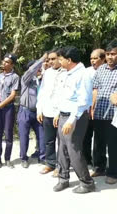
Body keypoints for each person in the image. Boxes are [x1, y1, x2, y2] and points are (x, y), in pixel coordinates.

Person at [52, 46, 95, 193]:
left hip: (76, 117)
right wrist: (58, 112)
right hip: (64, 115)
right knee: (62, 148)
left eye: (61, 58)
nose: (59, 61)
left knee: (73, 150)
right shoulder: (66, 73)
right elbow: (63, 96)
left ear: (69, 60)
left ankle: (87, 182)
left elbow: (82, 102)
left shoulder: (82, 75)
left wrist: (71, 120)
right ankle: (63, 179)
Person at [92, 40, 117, 184]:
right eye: (107, 54)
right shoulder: (100, 69)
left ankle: (113, 172)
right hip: (99, 112)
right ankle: (99, 167)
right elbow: (95, 88)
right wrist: (92, 108)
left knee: (113, 144)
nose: (109, 57)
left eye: (113, 54)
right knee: (98, 142)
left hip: (114, 115)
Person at [37, 49, 65, 176]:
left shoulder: (66, 73)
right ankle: (50, 163)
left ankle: (61, 166)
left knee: (62, 142)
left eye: (54, 59)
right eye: (49, 59)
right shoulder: (47, 73)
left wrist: (59, 112)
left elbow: (65, 96)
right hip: (47, 112)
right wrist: (39, 110)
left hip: (60, 113)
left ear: (60, 58)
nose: (51, 61)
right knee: (49, 140)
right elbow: (42, 93)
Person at [0, 53, 20, 168]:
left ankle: (7, 159)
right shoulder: (0, 75)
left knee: (8, 134)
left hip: (8, 109)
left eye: (7, 62)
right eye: (4, 61)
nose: (4, 63)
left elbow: (12, 95)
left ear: (12, 65)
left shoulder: (15, 77)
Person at [18, 55, 46, 169]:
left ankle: (42, 157)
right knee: (24, 136)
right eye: (37, 68)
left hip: (38, 112)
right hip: (25, 111)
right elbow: (31, 71)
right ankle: (24, 158)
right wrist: (41, 60)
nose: (39, 69)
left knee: (42, 135)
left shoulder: (40, 81)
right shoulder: (25, 79)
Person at [82, 49, 105, 166]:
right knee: (86, 136)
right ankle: (86, 160)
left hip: (102, 110)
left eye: (95, 58)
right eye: (91, 58)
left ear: (103, 59)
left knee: (99, 139)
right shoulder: (86, 72)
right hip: (86, 109)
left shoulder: (107, 72)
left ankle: (99, 164)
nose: (92, 61)